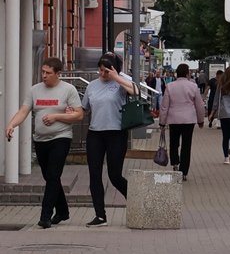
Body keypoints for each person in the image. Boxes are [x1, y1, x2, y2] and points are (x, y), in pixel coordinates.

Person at [5, 58, 83, 228]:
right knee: (50, 177)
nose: (44, 75)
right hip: (40, 140)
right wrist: (12, 125)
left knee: (53, 175)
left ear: (58, 74)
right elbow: (23, 111)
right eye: (43, 72)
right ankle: (63, 211)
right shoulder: (35, 90)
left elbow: (78, 115)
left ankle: (45, 216)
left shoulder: (68, 90)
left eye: (48, 73)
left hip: (61, 137)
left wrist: (57, 116)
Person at [81, 54, 136, 227]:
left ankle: (135, 200)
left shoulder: (121, 79)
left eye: (106, 71)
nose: (103, 74)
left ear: (113, 69)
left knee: (114, 175)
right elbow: (85, 109)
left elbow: (136, 91)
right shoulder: (92, 86)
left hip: (116, 133)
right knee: (94, 174)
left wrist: (116, 78)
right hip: (95, 133)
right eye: (100, 70)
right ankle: (100, 215)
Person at [158, 63, 206, 181]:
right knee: (186, 145)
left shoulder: (170, 86)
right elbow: (199, 105)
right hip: (189, 120)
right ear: (187, 73)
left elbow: (164, 106)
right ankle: (184, 171)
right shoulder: (193, 87)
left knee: (174, 142)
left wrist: (162, 122)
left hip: (174, 119)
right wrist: (201, 120)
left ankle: (175, 163)